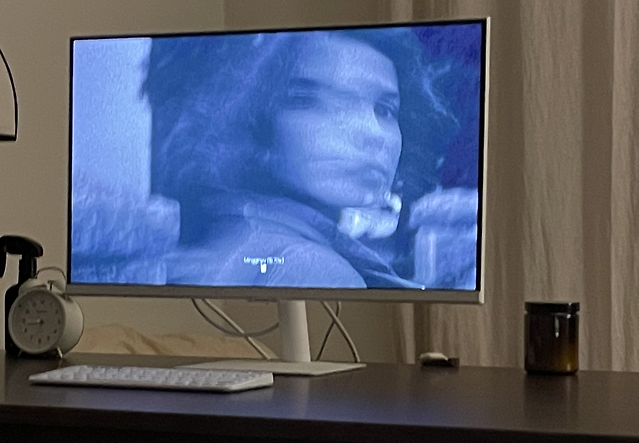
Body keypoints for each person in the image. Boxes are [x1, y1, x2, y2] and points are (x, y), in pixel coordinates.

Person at [145, 25, 478, 290]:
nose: (372, 133)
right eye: (306, 98)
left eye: (385, 109)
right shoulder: (311, 267)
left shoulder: (229, 236)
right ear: (248, 112)